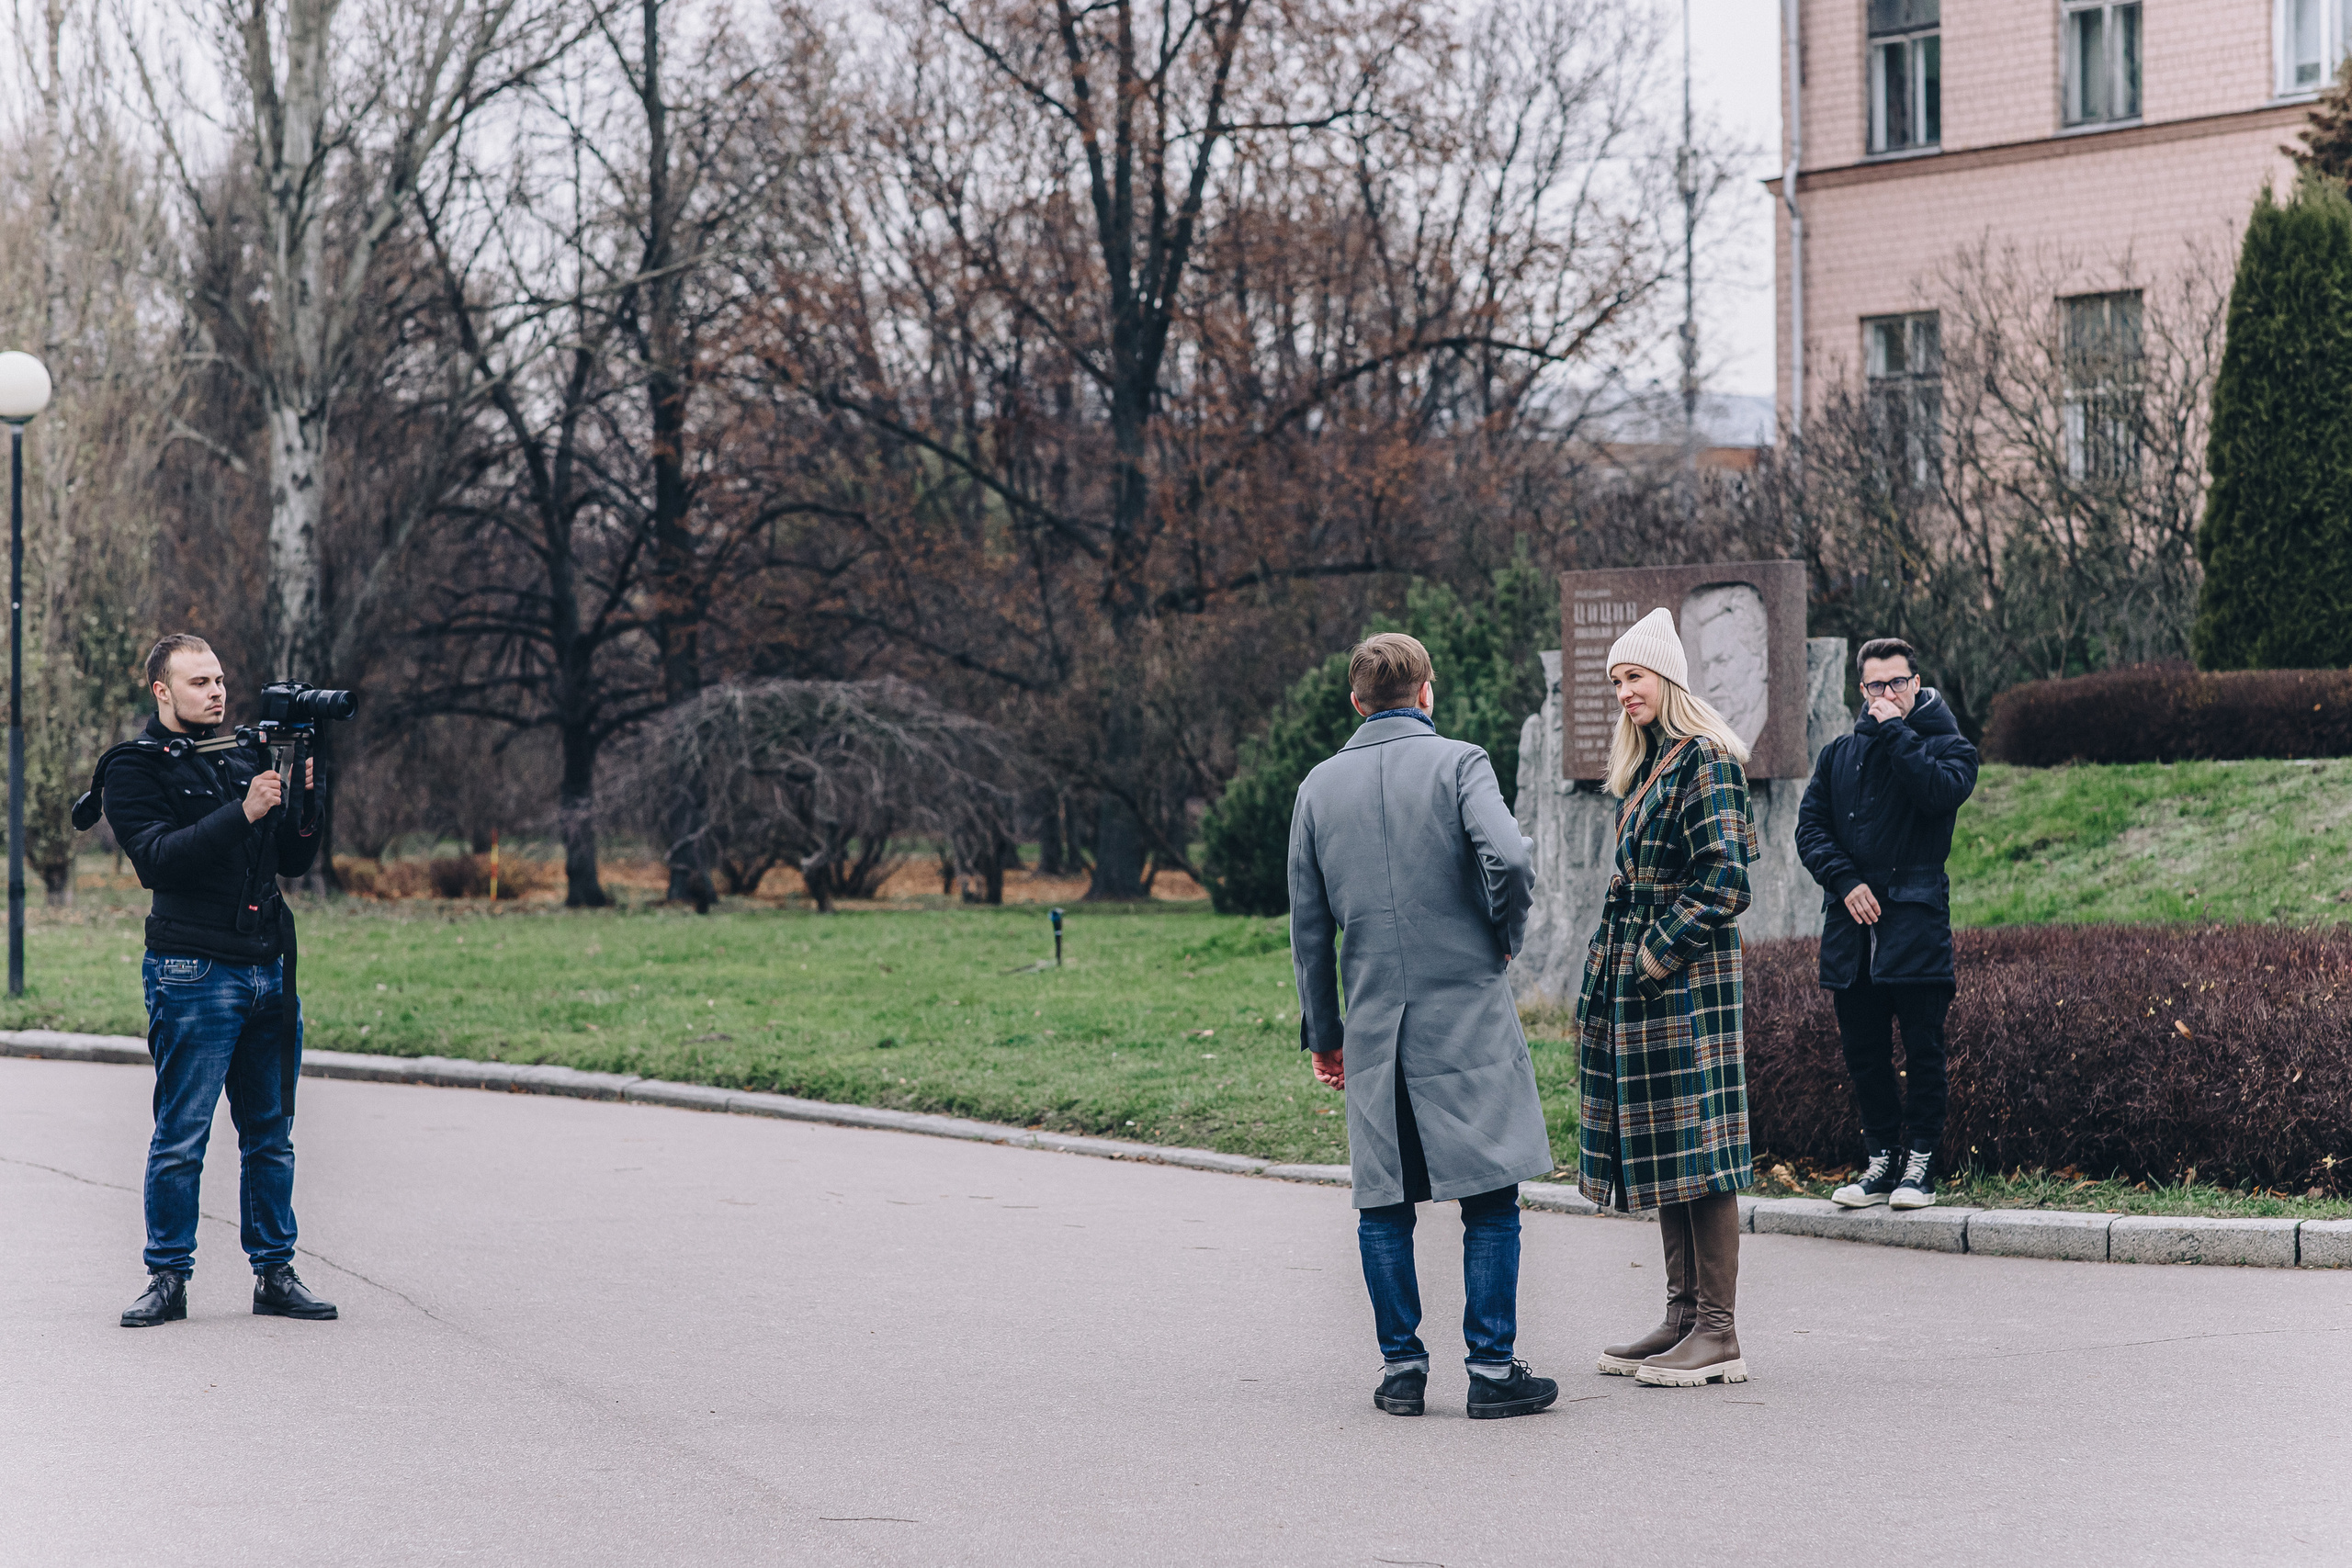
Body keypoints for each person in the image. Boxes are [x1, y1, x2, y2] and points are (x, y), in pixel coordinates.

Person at [1290, 632, 1559, 1421]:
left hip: (1375, 1021)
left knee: (1384, 1201)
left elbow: (1309, 925)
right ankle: (1492, 1367)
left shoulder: (1317, 786)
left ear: (1356, 702)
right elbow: (1508, 857)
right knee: (1490, 1195)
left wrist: (1324, 1033)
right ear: (1427, 692)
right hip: (1464, 1010)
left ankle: (1402, 1369)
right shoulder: (1459, 763)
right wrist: (1503, 930)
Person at [96, 635, 336, 1328]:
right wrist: (245, 811)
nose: (217, 692)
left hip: (267, 966)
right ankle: (167, 1276)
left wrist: (309, 780)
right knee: (182, 1134)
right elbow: (160, 861)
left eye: (221, 679)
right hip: (193, 970)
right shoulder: (133, 770)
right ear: (161, 691)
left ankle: (275, 1272)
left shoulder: (241, 755)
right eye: (199, 682)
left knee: (271, 1133)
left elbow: (289, 855)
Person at [1579, 607, 1758, 1389]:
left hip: (1686, 982)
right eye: (1617, 680)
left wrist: (1652, 955)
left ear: (1668, 679)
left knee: (1703, 1148)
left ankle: (1718, 1331)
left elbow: (1726, 879)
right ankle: (1682, 1315)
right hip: (1647, 982)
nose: (1624, 691)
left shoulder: (1707, 759)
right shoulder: (1651, 764)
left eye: (1636, 676)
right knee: (1667, 1146)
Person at [1795, 637, 1979, 1212]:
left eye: (1896, 683)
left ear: (1916, 684)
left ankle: (1920, 1164)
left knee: (1923, 1050)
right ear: (1861, 688)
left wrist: (1898, 729)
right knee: (1865, 1054)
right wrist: (1845, 882)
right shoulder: (1838, 755)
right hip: (1851, 936)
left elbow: (1935, 793)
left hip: (1916, 928)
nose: (1886, 694)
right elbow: (1810, 830)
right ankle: (1880, 1161)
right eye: (1875, 685)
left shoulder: (1951, 748)